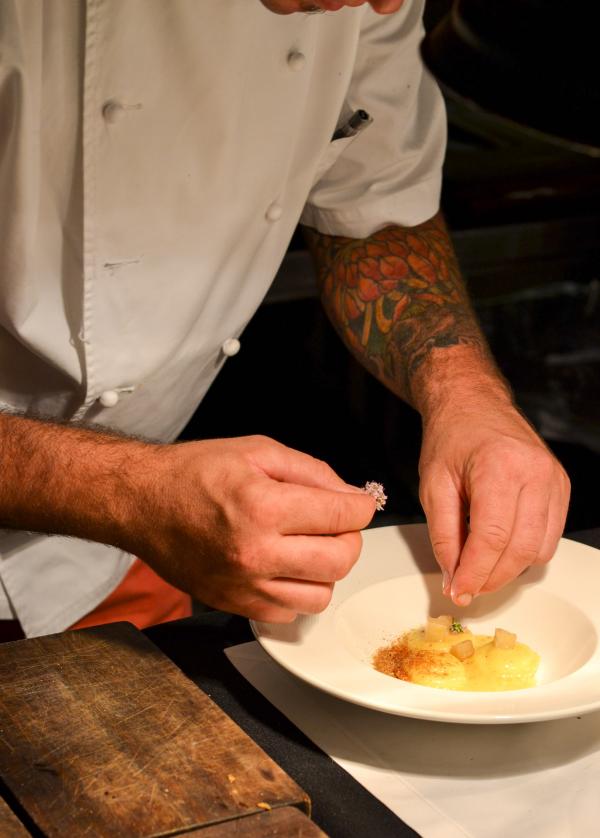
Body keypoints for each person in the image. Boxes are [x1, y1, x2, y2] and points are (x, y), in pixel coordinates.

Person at [0, 0, 570, 639]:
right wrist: (129, 492)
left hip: (109, 561)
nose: (379, 3)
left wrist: (469, 396)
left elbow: (371, 212)